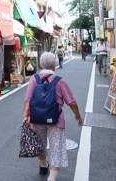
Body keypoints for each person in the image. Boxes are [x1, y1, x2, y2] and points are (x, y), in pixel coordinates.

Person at [23, 52, 83, 181]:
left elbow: (27, 100)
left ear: (40, 64)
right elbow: (71, 102)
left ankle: (43, 166)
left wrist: (25, 116)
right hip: (56, 120)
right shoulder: (60, 81)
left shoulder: (34, 79)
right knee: (57, 148)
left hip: (36, 118)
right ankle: (52, 178)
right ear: (55, 65)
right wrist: (78, 116)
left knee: (39, 145)